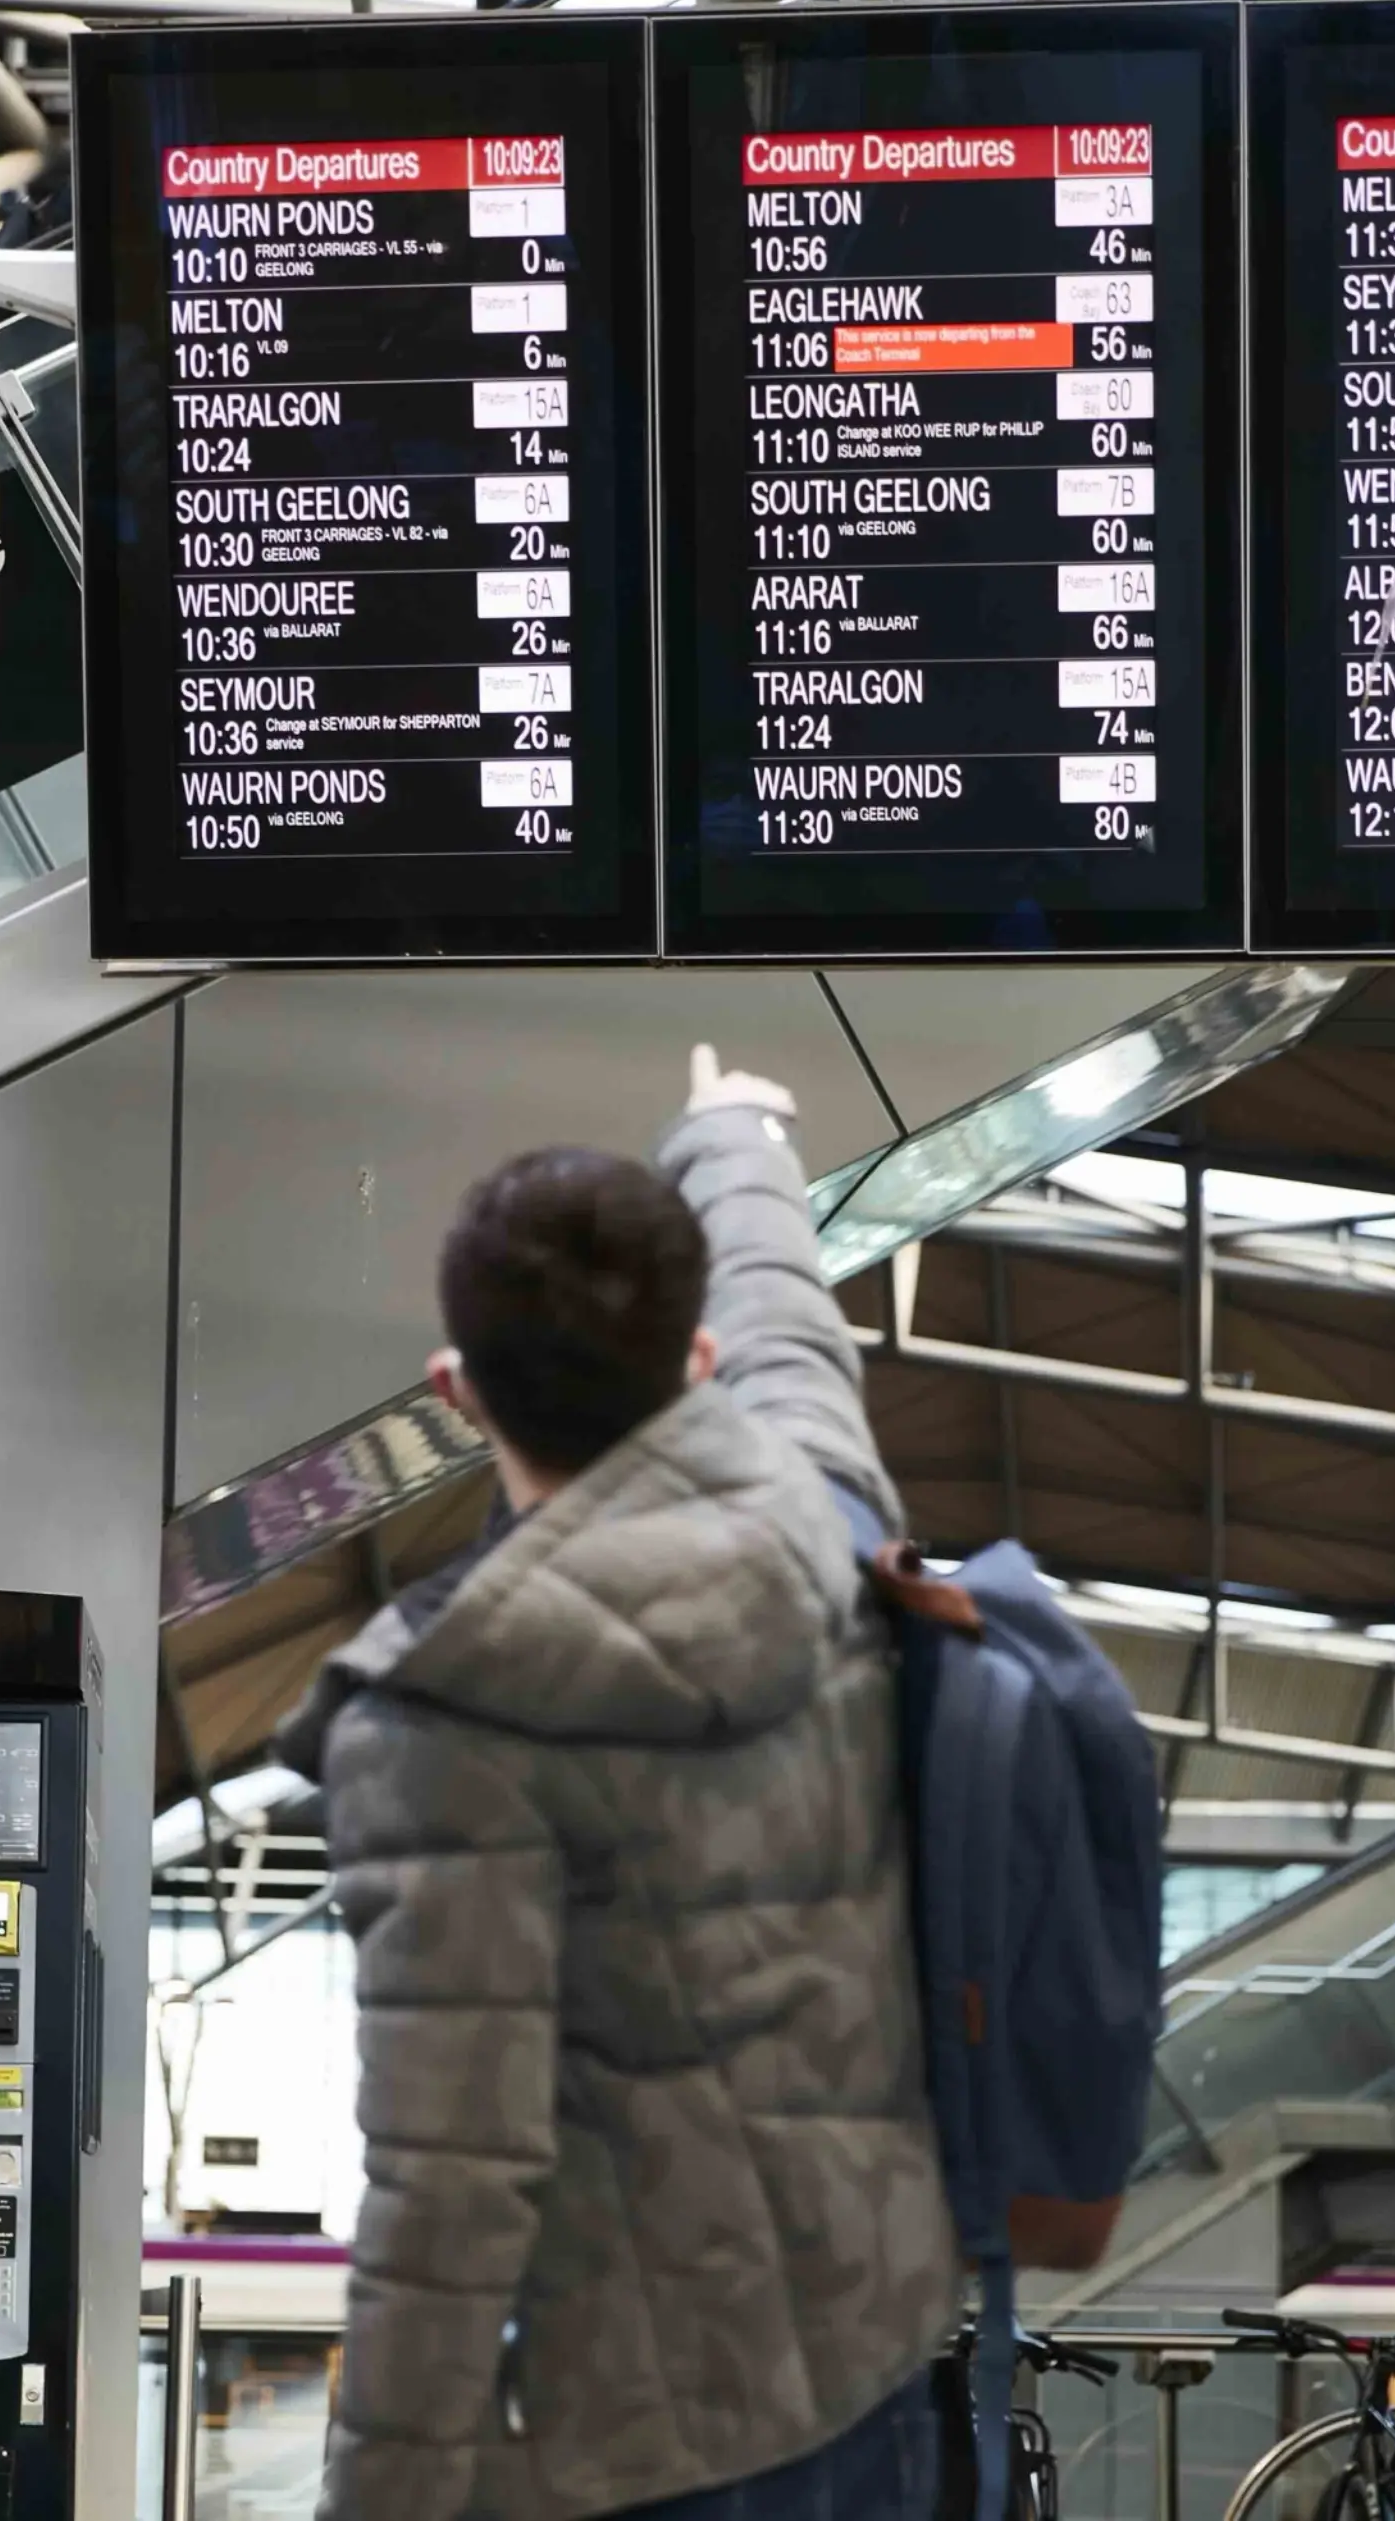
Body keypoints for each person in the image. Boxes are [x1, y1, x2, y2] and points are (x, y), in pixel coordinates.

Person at [277, 1045, 956, 2521]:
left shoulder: (451, 1717)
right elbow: (790, 1325)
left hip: (647, 2441)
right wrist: (736, 1134)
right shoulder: (820, 1513)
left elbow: (451, 2183)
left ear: (455, 1393)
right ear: (693, 1360)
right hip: (880, 2364)